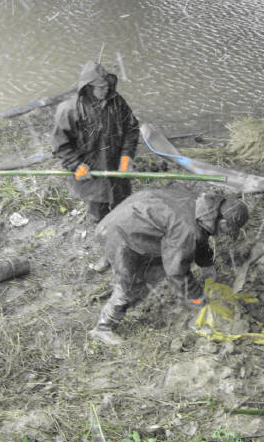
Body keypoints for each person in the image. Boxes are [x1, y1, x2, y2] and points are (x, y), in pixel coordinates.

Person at [88, 187, 249, 346]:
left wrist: (206, 264)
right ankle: (102, 328)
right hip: (120, 234)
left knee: (159, 260)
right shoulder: (187, 228)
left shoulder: (203, 204)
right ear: (222, 221)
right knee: (132, 285)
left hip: (130, 217)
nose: (226, 233)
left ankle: (108, 260)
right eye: (229, 229)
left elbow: (200, 236)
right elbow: (176, 270)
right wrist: (197, 297)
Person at [52, 60, 140, 223]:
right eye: (101, 87)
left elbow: (131, 128)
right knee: (98, 215)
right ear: (88, 87)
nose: (106, 89)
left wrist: (126, 156)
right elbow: (61, 146)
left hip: (117, 170)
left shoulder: (116, 101)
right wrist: (76, 165)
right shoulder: (69, 110)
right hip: (92, 176)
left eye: (107, 85)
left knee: (123, 210)